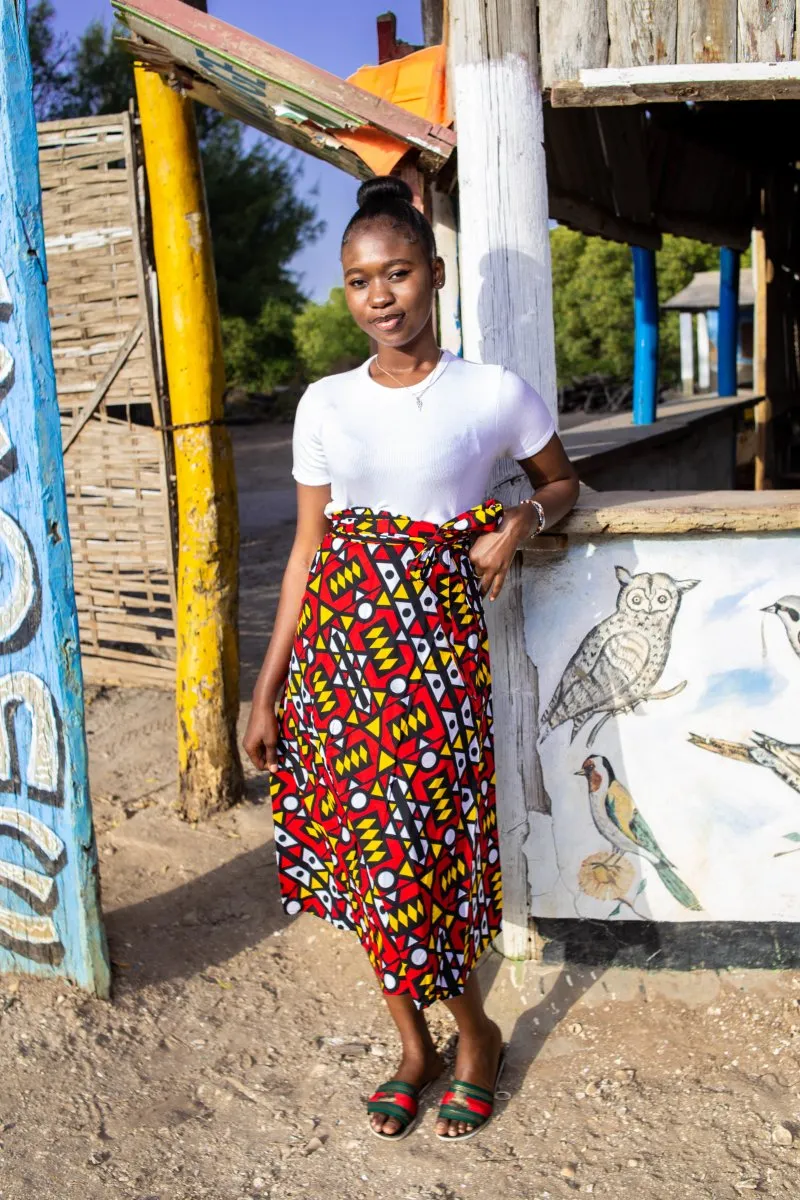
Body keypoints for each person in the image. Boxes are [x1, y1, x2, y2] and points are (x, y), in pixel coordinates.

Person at [243, 175, 579, 1143]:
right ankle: (413, 1046)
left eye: (395, 273)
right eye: (357, 280)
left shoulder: (490, 394)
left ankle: (471, 1035)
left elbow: (562, 483)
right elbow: (309, 549)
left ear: (433, 275)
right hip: (337, 671)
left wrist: (519, 517)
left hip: (434, 671)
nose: (378, 296)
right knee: (362, 867)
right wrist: (266, 690)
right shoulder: (322, 405)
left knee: (418, 865)